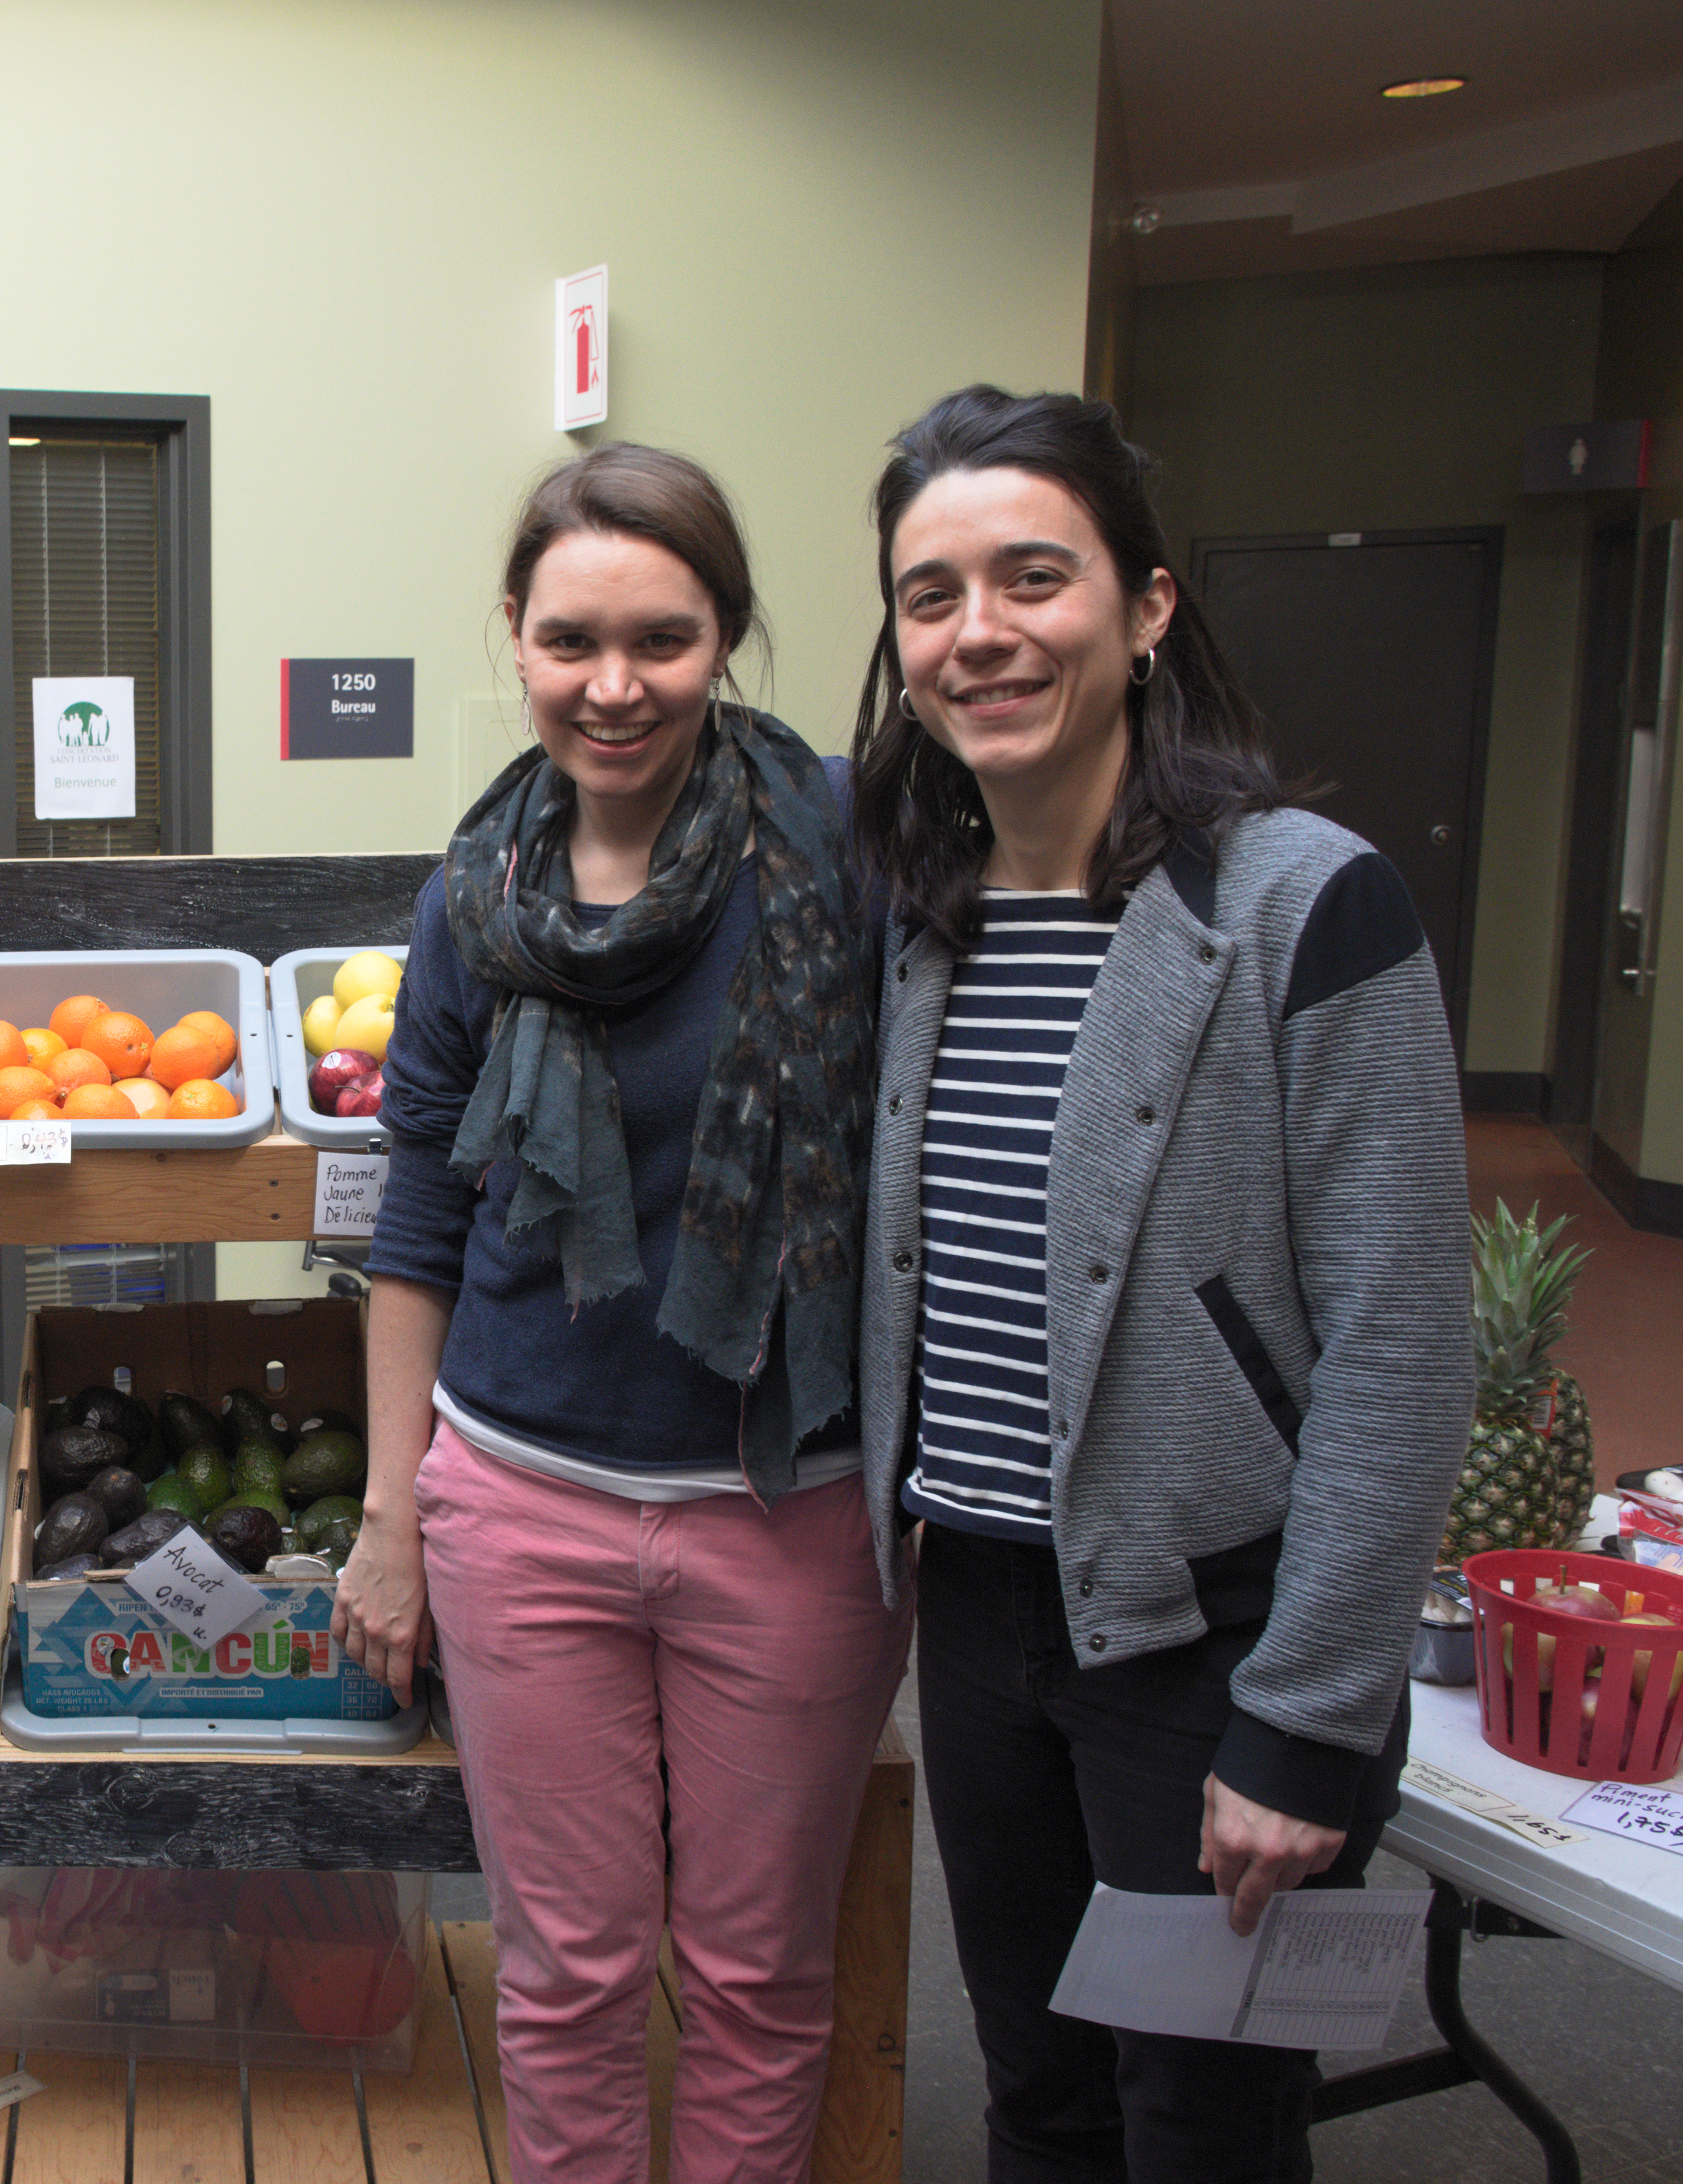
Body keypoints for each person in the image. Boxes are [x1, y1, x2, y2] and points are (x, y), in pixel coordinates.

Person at [847, 385, 1470, 2183]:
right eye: (932, 597)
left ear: (1147, 607)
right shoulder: (923, 913)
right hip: (980, 1616)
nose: (980, 633)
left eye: (1033, 578)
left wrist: (1308, 1719)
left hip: (1211, 1643)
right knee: (1037, 2097)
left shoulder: (1304, 905)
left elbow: (1402, 1346)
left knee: (1202, 2125)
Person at [332, 444, 904, 2183]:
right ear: (515, 632)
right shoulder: (477, 896)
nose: (615, 684)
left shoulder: (849, 849)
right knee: (566, 1975)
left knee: (757, 1979)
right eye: (571, 638)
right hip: (521, 1509)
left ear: (728, 634)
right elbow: (418, 1214)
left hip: (790, 1510)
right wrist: (393, 1520)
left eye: (664, 637)